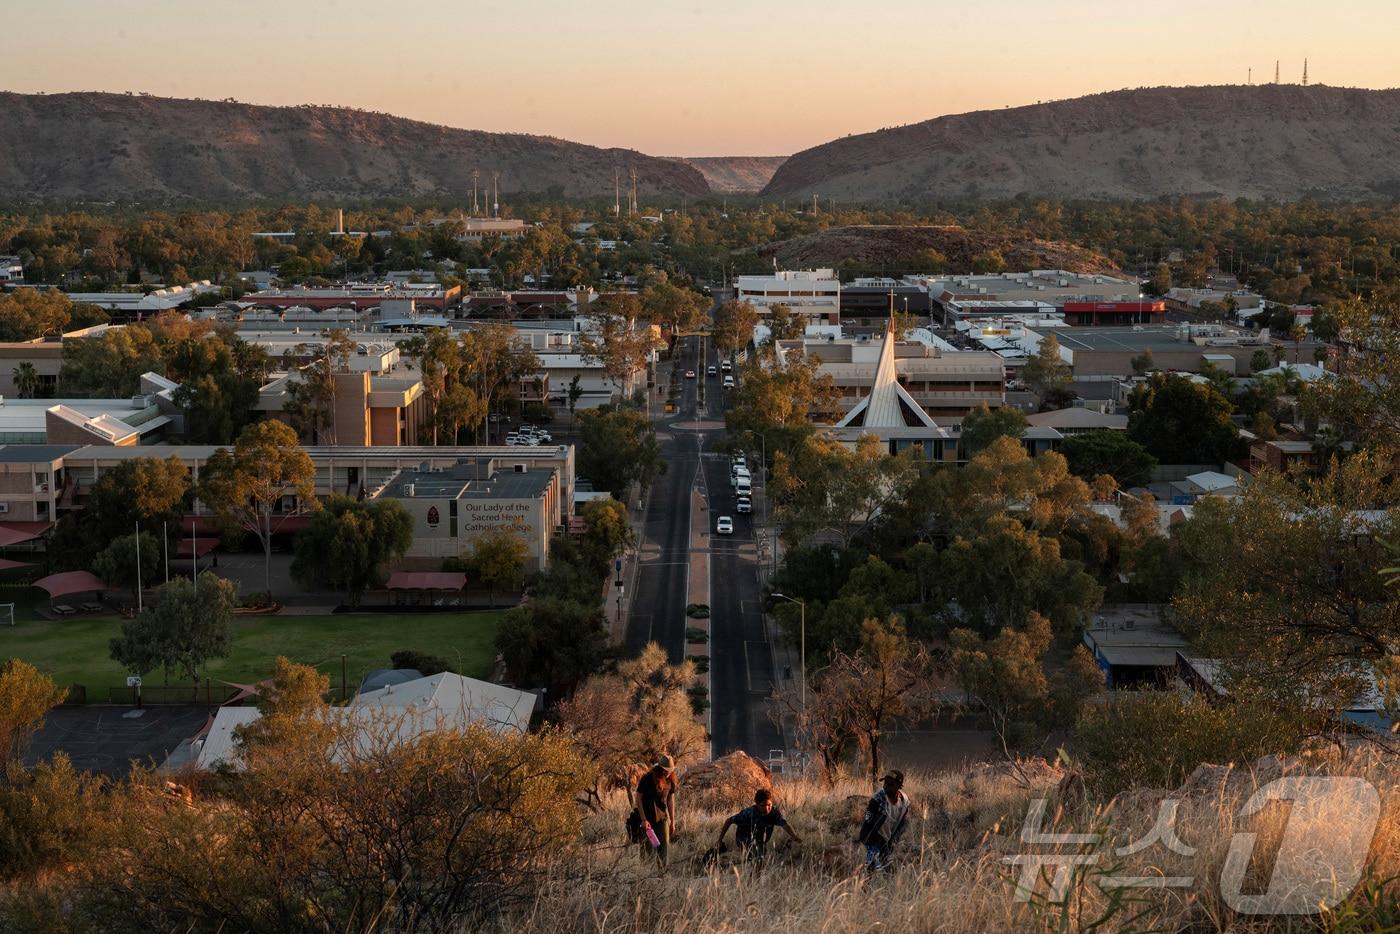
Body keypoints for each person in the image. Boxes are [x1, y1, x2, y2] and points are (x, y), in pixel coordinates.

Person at [715, 788, 801, 862]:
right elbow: (729, 821)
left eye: (769, 805)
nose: (767, 808)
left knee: (760, 855)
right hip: (744, 838)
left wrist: (794, 836)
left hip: (760, 840)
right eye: (763, 805)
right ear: (757, 805)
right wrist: (719, 840)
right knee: (758, 858)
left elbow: (784, 824)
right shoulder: (749, 813)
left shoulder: (774, 813)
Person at [858, 769, 910, 872]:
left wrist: (893, 841)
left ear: (899, 786)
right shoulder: (877, 800)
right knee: (871, 870)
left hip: (888, 841)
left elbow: (902, 824)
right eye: (885, 783)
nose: (885, 786)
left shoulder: (904, 802)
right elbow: (868, 824)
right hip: (873, 840)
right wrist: (877, 844)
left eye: (890, 784)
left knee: (889, 871)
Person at [634, 754, 679, 869]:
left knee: (663, 849)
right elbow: (638, 797)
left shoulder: (671, 780)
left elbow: (670, 800)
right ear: (660, 768)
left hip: (662, 818)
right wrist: (643, 819)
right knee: (647, 851)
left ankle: (662, 875)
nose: (667, 773)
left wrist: (672, 821)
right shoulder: (648, 778)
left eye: (669, 770)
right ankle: (645, 877)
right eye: (665, 770)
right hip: (647, 820)